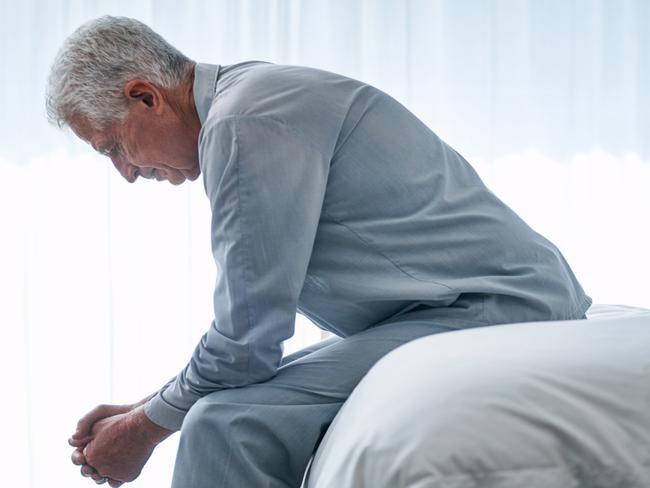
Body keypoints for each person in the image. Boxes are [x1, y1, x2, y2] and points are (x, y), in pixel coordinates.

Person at [46, 15, 593, 488]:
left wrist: (144, 428)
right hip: (481, 302)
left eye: (113, 146)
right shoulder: (250, 99)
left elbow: (247, 342)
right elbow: (250, 342)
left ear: (146, 96)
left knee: (225, 423)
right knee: (223, 408)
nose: (127, 173)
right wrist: (148, 408)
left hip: (496, 306)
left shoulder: (243, 123)